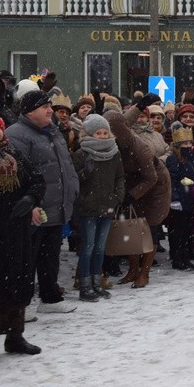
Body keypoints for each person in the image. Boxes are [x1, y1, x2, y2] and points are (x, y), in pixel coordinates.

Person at [0, 98, 45, 369]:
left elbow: (37, 179)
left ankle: (15, 336)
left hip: (16, 232)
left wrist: (30, 198)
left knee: (18, 282)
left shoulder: (13, 152)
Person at [6, 90, 79, 313]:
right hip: (36, 209)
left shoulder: (53, 131)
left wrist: (73, 188)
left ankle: (49, 299)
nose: (50, 110)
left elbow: (65, 164)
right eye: (44, 107)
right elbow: (17, 176)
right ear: (29, 112)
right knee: (27, 259)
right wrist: (31, 204)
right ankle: (23, 305)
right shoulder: (17, 135)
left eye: (50, 106)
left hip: (56, 206)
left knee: (50, 256)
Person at [104, 93, 171, 289]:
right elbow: (123, 119)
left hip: (156, 186)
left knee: (149, 229)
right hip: (134, 185)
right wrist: (140, 105)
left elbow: (152, 178)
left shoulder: (138, 148)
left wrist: (131, 195)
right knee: (132, 227)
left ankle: (145, 272)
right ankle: (133, 269)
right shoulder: (117, 129)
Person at [71, 114, 125, 301]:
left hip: (107, 206)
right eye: (98, 133)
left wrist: (117, 197)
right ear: (89, 134)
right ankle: (85, 285)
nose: (102, 136)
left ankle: (96, 281)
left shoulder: (114, 152)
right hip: (88, 208)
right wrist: (85, 172)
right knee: (88, 247)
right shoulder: (81, 154)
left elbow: (119, 178)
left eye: (104, 132)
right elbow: (74, 180)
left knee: (100, 248)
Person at [164, 122, 194, 270]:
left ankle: (185, 257)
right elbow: (173, 179)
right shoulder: (173, 159)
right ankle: (177, 258)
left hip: (190, 198)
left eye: (189, 142)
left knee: (187, 231)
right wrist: (175, 198)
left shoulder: (192, 158)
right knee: (177, 231)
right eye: (184, 143)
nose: (188, 145)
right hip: (179, 200)